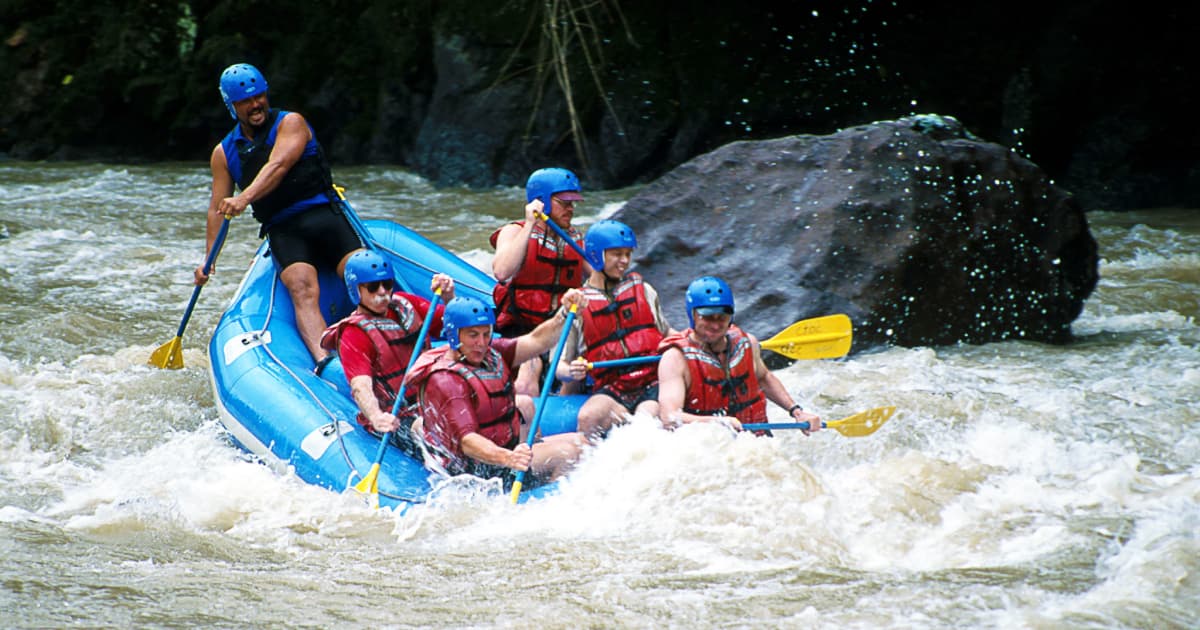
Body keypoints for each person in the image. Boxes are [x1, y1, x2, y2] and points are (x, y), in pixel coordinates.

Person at [194, 63, 362, 368]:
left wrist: (244, 197)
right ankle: (327, 362)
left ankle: (389, 339)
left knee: (363, 273)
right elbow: (216, 208)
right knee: (301, 286)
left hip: (324, 214)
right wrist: (209, 258)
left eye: (259, 96)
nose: (255, 105)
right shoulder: (224, 153)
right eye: (245, 101)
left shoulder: (291, 123)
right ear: (232, 107)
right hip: (284, 229)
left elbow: (278, 165)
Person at [404, 292, 587, 488]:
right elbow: (468, 442)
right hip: (480, 471)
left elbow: (536, 341)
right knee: (570, 454)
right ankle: (543, 499)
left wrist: (564, 313)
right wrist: (509, 458)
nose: (481, 343)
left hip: (503, 453)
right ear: (453, 334)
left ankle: (542, 486)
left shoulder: (492, 355)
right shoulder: (445, 381)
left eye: (486, 334)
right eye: (473, 335)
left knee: (583, 443)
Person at [319, 250, 454, 445]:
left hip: (432, 398)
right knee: (430, 429)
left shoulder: (407, 304)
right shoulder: (353, 334)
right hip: (397, 415)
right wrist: (376, 417)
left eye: (387, 284)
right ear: (356, 290)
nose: (383, 292)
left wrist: (449, 297)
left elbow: (455, 328)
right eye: (373, 287)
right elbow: (360, 387)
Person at [555, 220, 675, 438]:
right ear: (595, 255)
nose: (625, 261)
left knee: (644, 421)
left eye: (628, 254)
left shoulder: (644, 291)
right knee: (588, 417)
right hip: (613, 388)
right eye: (617, 254)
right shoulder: (576, 305)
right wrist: (572, 371)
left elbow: (666, 333)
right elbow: (558, 366)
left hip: (651, 382)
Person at [657, 276, 822, 434]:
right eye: (707, 318)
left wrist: (797, 411)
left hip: (754, 439)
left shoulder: (747, 344)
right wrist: (717, 423)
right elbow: (670, 418)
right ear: (692, 315)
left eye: (722, 317)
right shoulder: (674, 359)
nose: (715, 325)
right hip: (706, 447)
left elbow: (764, 378)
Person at [489, 167, 588, 399]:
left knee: (573, 373)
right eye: (564, 203)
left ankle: (563, 418)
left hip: (559, 327)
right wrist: (530, 224)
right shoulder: (514, 231)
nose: (571, 209)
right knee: (526, 380)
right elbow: (502, 271)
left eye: (573, 203)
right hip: (522, 328)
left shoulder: (576, 239)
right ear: (542, 201)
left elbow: (600, 280)